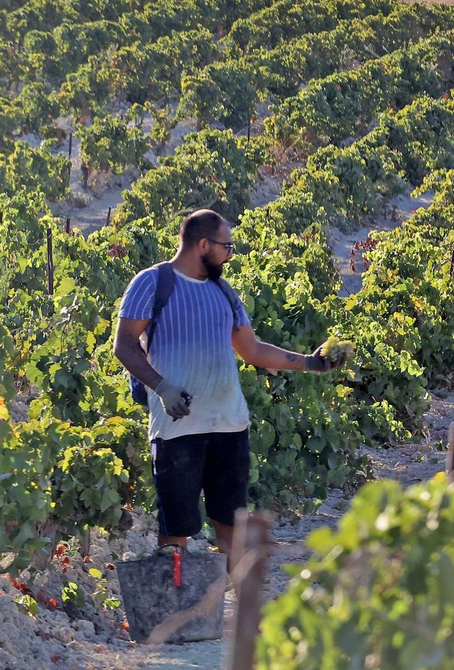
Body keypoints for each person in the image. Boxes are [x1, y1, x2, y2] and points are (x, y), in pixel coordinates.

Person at [112, 209, 347, 565]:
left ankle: (244, 616)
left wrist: (310, 363)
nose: (229, 255)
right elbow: (124, 344)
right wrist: (162, 387)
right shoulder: (153, 282)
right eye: (227, 247)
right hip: (178, 430)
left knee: (232, 531)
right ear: (203, 244)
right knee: (175, 535)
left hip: (229, 427)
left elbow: (252, 350)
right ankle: (179, 615)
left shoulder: (223, 291)